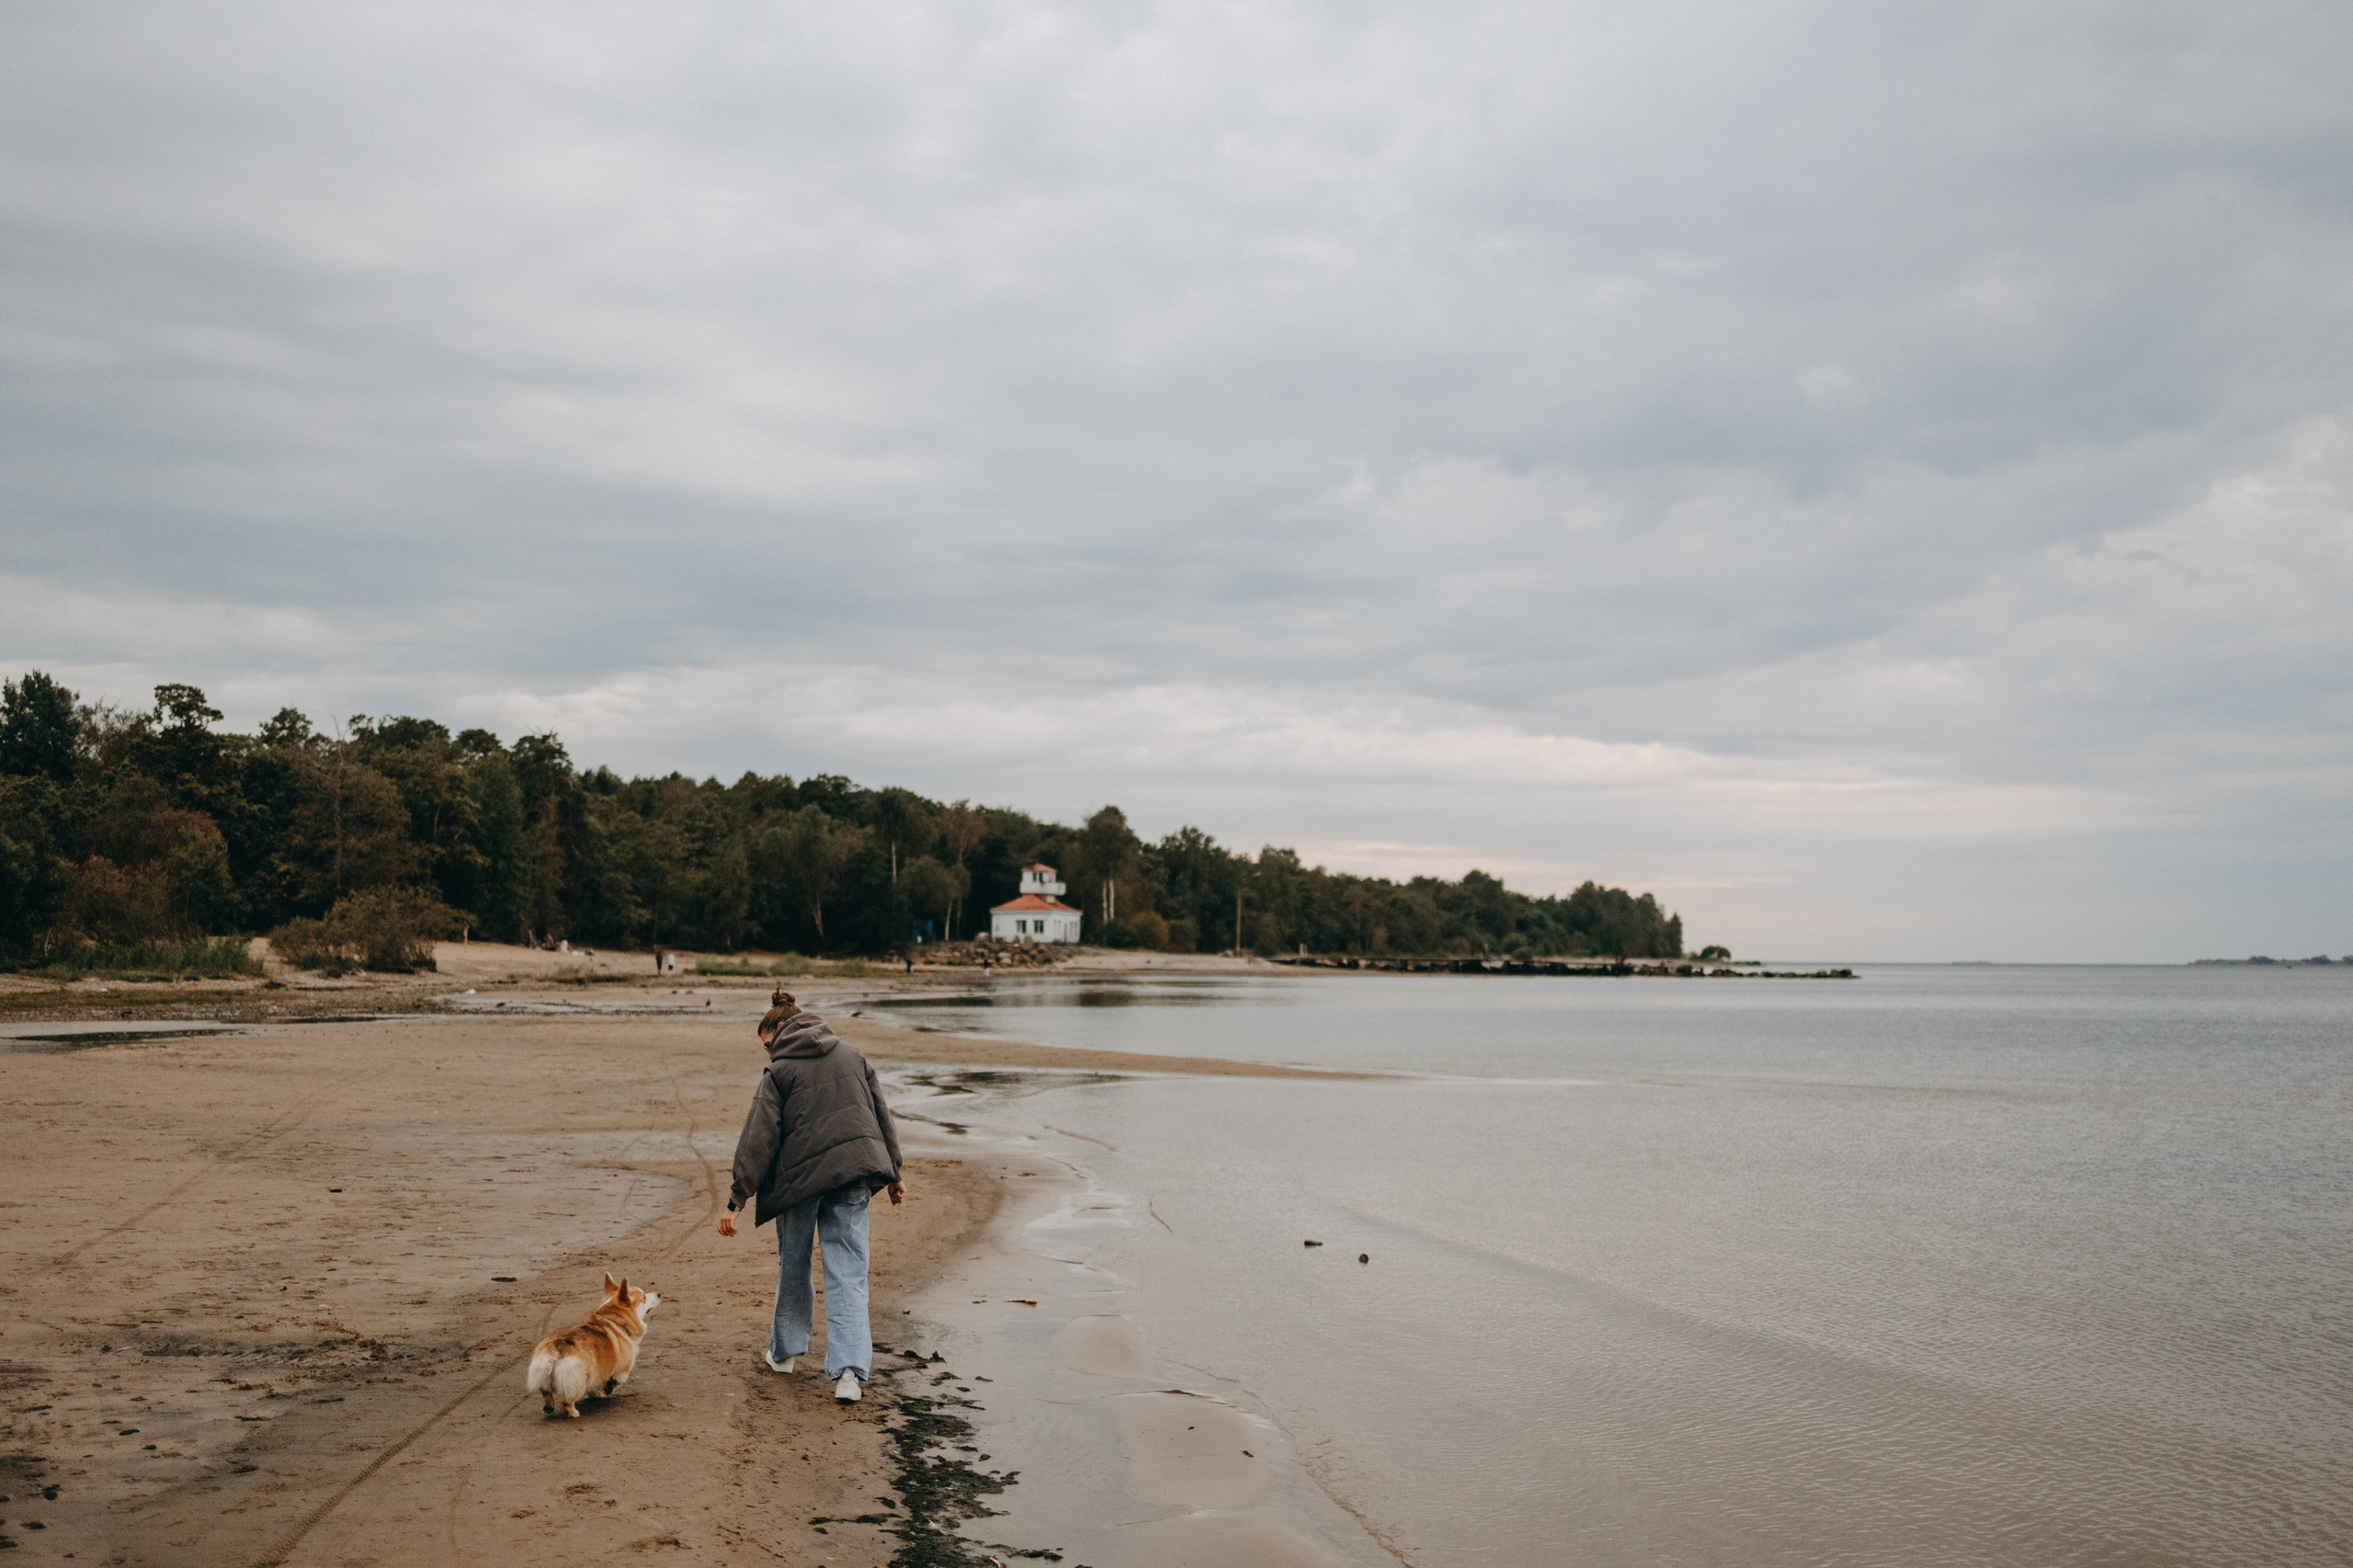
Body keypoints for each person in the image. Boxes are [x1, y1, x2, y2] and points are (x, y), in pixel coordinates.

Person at [718, 989, 904, 1403]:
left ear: (780, 1029)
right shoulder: (853, 1055)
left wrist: (737, 1198)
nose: (768, 1053)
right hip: (854, 1176)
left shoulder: (780, 1072)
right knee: (848, 1275)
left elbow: (758, 1138)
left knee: (794, 1267)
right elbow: (880, 1114)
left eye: (768, 1044)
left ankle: (784, 1354)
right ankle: (850, 1375)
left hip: (799, 1184)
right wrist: (894, 1172)